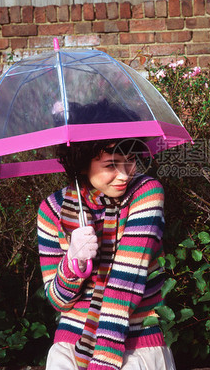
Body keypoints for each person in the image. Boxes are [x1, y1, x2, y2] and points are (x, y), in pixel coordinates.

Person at [37, 100, 176, 370]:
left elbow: (126, 282)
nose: (125, 174)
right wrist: (73, 264)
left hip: (138, 342)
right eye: (111, 165)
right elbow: (57, 300)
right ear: (81, 163)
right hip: (71, 343)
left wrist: (103, 364)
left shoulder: (145, 193)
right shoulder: (52, 210)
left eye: (131, 160)